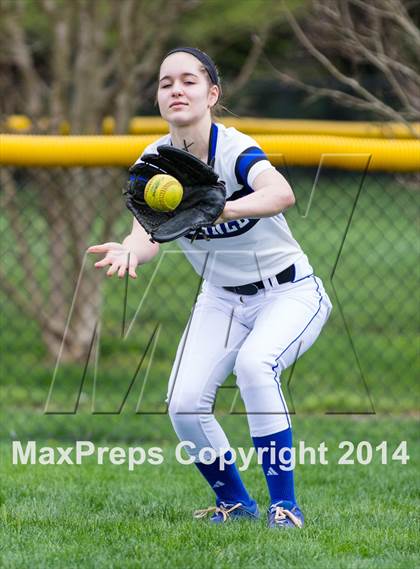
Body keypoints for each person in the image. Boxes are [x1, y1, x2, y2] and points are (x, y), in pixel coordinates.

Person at [88, 47, 332, 528]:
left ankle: (286, 506)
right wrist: (130, 250)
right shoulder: (155, 161)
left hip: (288, 291)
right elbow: (149, 232)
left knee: (255, 366)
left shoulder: (232, 147)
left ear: (212, 93)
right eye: (165, 83)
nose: (176, 89)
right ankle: (236, 504)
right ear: (158, 100)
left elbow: (282, 193)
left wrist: (220, 208)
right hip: (220, 298)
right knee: (182, 403)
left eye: (189, 80)